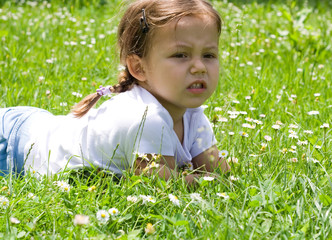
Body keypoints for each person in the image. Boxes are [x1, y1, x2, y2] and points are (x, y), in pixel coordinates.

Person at [0, 0, 230, 184]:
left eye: (209, 55)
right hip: (14, 146)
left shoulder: (192, 113)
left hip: (37, 128)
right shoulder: (146, 117)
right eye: (181, 55)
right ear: (138, 67)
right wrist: (206, 181)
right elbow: (157, 179)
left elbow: (215, 168)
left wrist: (215, 174)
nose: (199, 66)